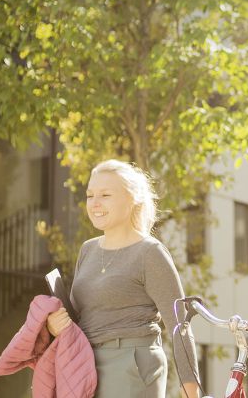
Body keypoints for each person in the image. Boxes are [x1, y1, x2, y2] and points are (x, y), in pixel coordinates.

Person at [46, 160, 200, 398]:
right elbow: (79, 318)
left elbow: (179, 325)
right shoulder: (88, 250)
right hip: (84, 366)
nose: (95, 203)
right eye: (90, 195)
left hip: (132, 366)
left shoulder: (150, 253)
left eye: (105, 195)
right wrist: (53, 325)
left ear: (132, 199)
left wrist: (191, 389)